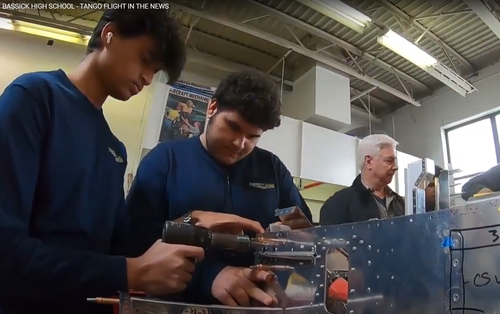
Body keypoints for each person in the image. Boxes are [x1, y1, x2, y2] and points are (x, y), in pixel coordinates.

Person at [0, 3, 259, 314]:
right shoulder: (36, 98)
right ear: (109, 35)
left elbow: (122, 242)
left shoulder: (115, 150)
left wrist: (193, 222)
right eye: (145, 61)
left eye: (155, 71)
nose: (148, 79)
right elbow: (7, 252)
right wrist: (130, 272)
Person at [125, 69, 312, 307]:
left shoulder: (272, 168)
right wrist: (209, 275)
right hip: (176, 304)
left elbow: (304, 236)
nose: (239, 144)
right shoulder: (166, 159)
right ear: (212, 108)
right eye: (233, 127)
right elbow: (134, 242)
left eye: (253, 137)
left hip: (257, 304)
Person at [319, 134, 404, 225]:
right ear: (368, 162)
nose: (395, 167)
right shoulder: (338, 204)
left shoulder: (400, 203)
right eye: (389, 161)